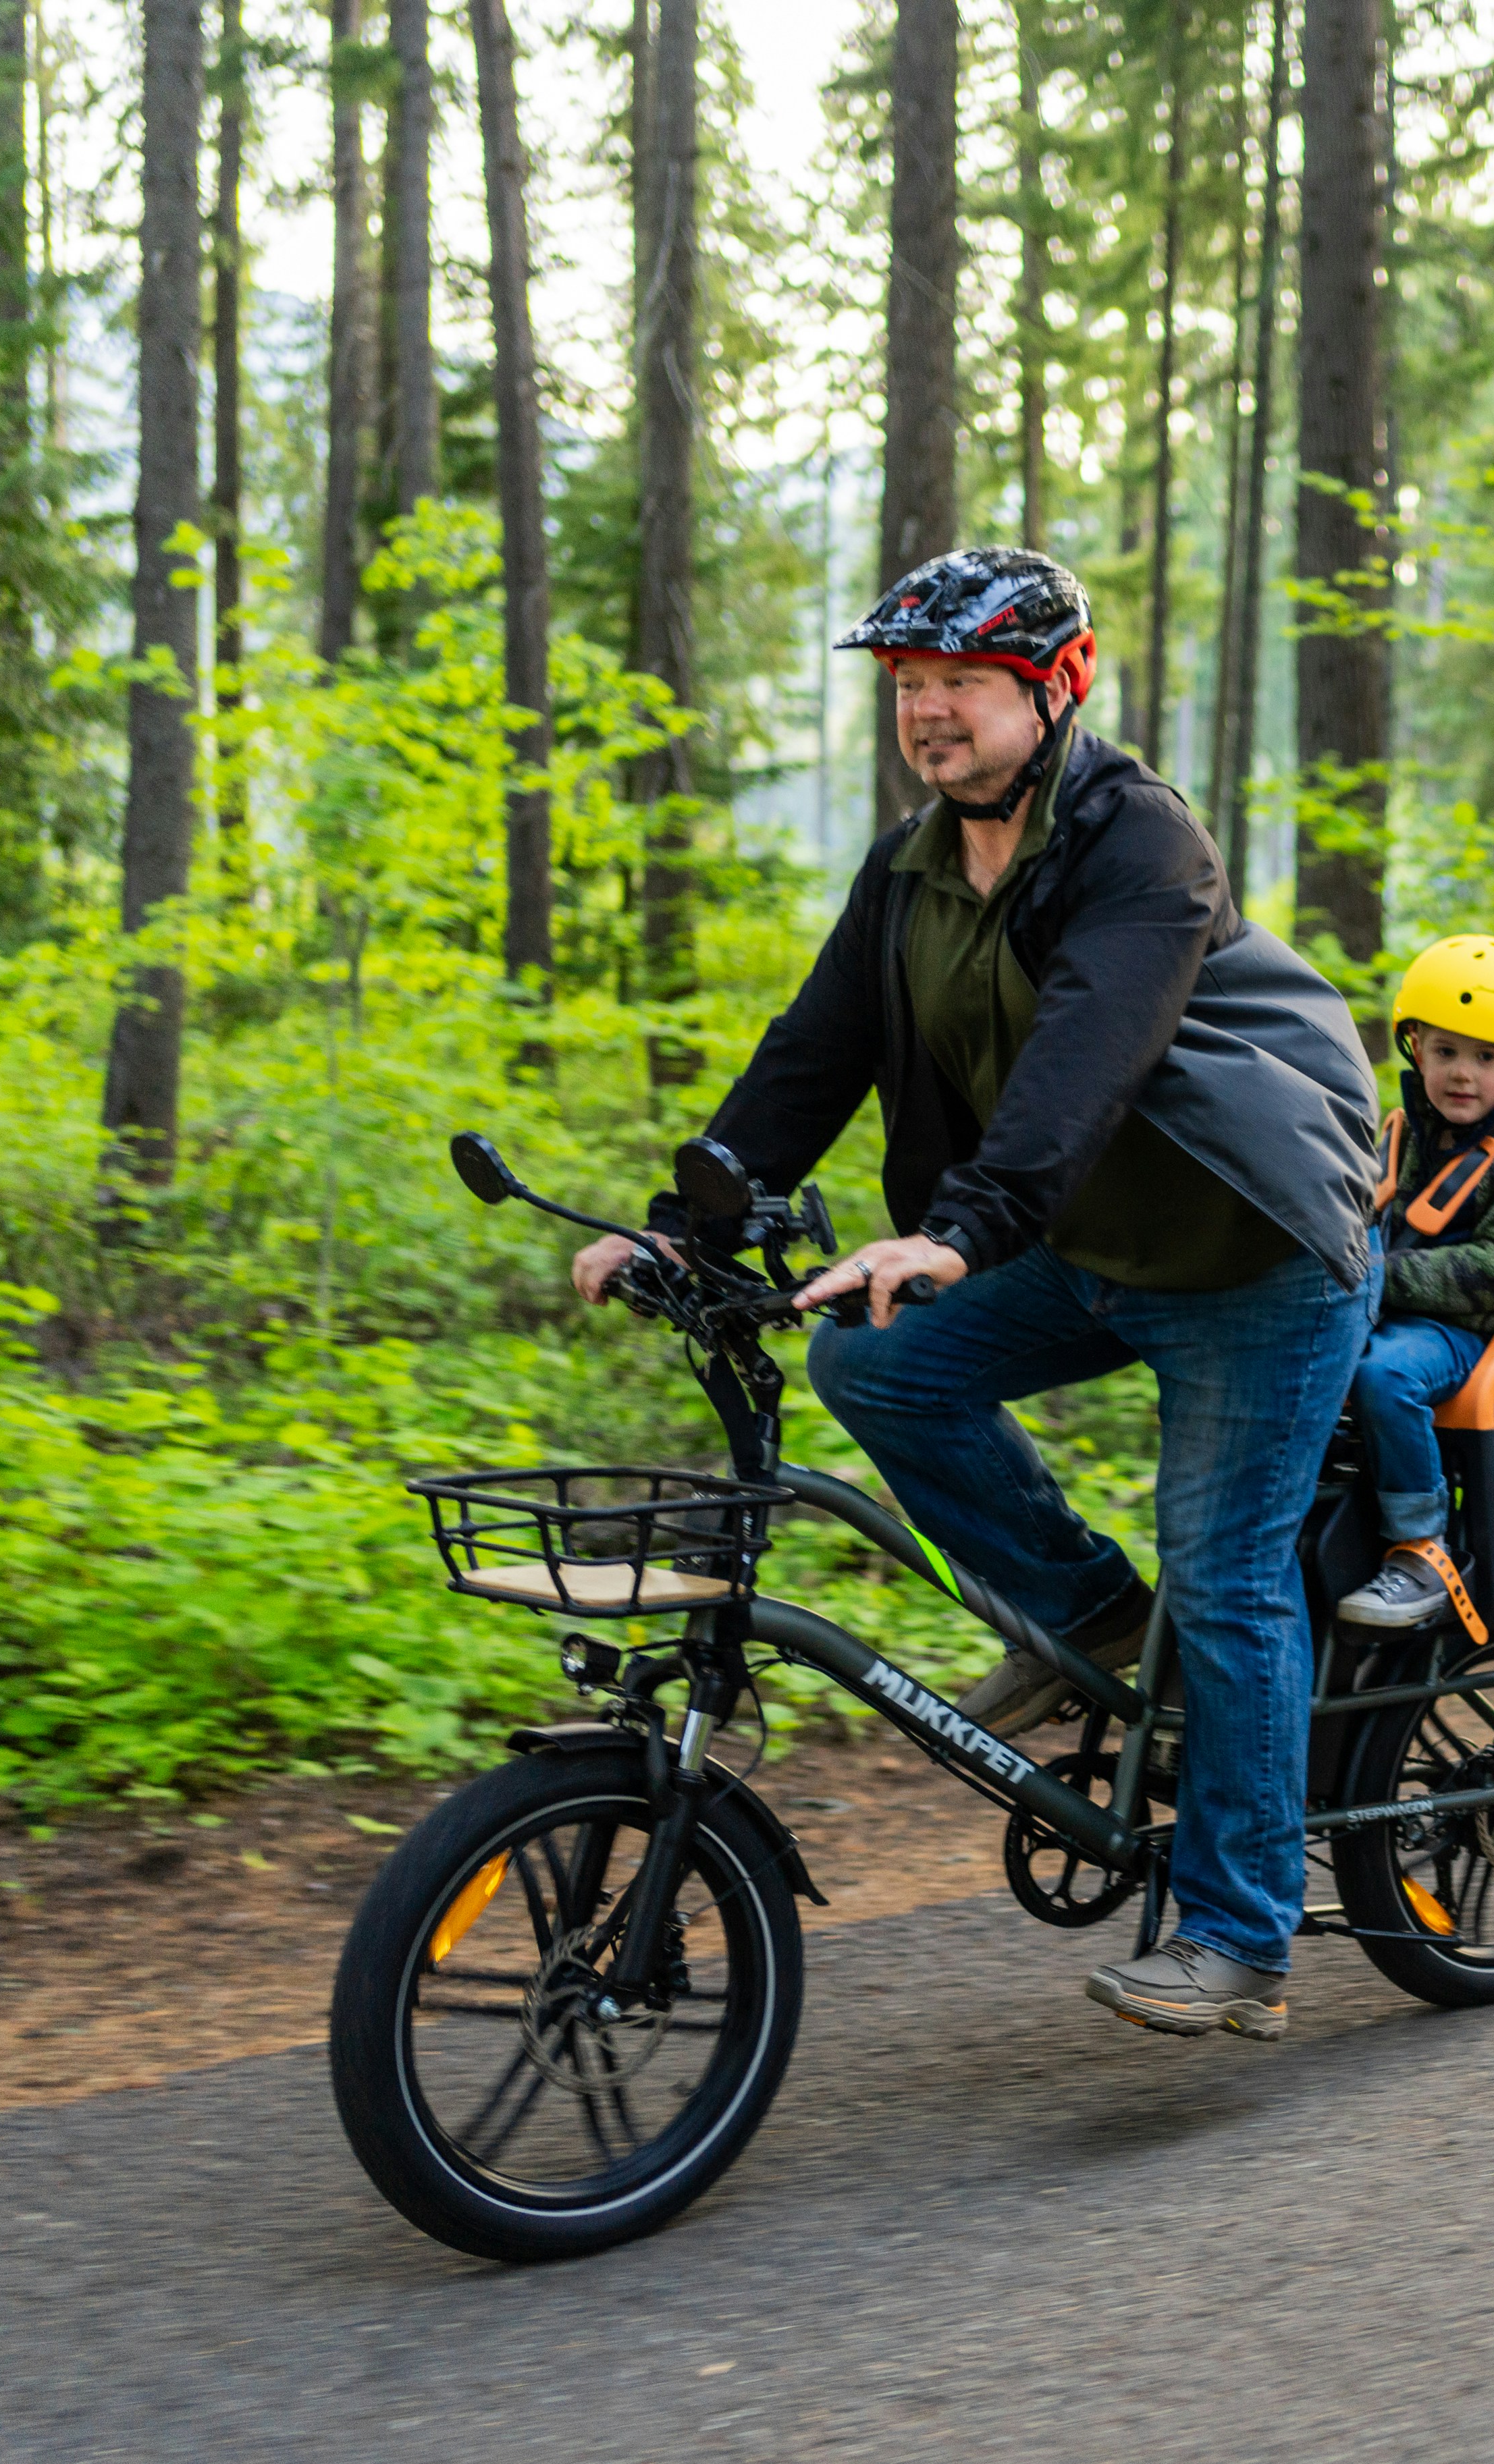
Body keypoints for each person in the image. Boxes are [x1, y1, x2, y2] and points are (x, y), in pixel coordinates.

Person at [565, 546, 1381, 2047]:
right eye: (908, 687)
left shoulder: (1143, 847)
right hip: (1086, 1243)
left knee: (1228, 1569)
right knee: (879, 1370)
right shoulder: (913, 867)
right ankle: (1089, 1619)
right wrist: (684, 1225)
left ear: (1051, 691)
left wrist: (959, 1228)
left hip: (1252, 1252)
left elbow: (1090, 1051)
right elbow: (809, 1053)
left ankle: (1239, 1932)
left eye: (959, 686)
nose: (927, 715)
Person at [1338, 935, 1494, 1628]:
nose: (1461, 1074)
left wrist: (1385, 1280)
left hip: (1468, 1341)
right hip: (1381, 1313)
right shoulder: (1403, 1134)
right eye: (1444, 1052)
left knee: (1387, 1377)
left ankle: (1420, 1548)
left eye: (1486, 1057)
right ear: (1416, 1049)